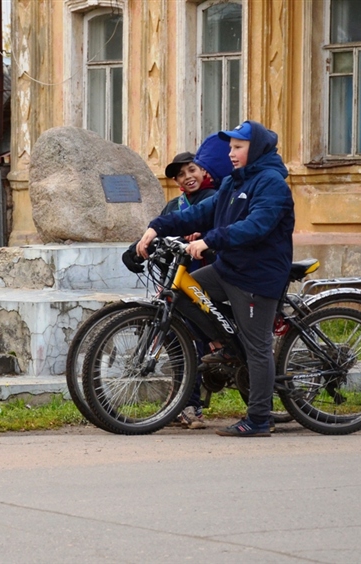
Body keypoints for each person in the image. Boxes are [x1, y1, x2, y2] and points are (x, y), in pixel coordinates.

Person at [136, 120, 294, 437]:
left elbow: (256, 226)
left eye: (238, 147)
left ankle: (259, 419)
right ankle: (229, 345)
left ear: (256, 148)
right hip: (230, 268)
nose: (231, 153)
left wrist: (211, 241)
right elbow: (200, 212)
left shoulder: (272, 183)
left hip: (257, 275)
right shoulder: (233, 183)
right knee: (180, 293)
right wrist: (157, 227)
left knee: (258, 346)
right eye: (230, 147)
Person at [160, 135, 232, 429]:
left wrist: (203, 237)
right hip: (180, 281)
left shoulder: (218, 197)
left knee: (205, 341)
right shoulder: (174, 205)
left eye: (192, 170)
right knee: (178, 339)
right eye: (181, 174)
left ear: (203, 171)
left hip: (213, 279)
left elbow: (222, 229)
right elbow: (161, 230)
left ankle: (191, 405)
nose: (187, 177)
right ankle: (184, 401)